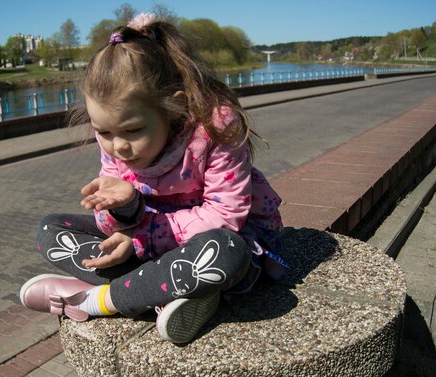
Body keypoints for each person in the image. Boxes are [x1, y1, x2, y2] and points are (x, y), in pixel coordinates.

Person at [20, 13, 288, 344]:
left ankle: (97, 300)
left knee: (225, 251)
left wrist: (139, 241)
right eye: (103, 131)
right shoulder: (118, 145)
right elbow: (107, 225)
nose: (118, 146)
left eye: (133, 130)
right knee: (51, 229)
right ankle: (171, 289)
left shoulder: (217, 130)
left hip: (225, 239)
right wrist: (126, 208)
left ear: (172, 108)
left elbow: (225, 217)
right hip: (152, 242)